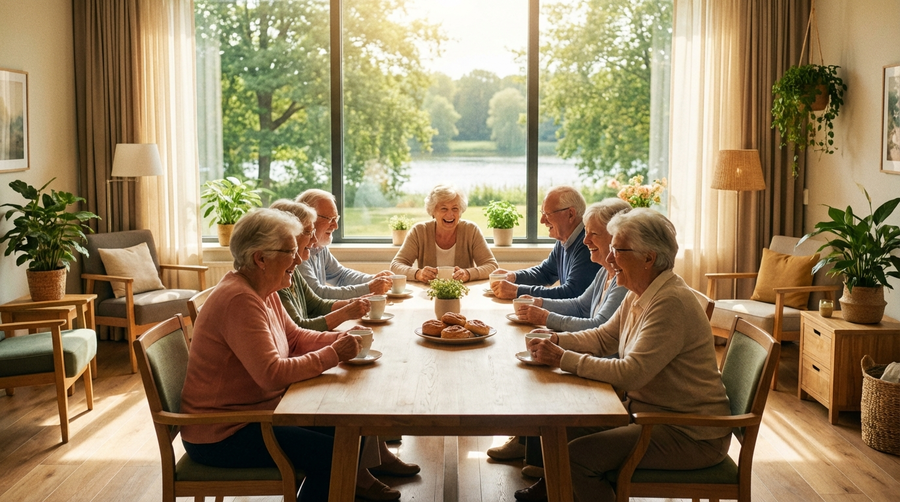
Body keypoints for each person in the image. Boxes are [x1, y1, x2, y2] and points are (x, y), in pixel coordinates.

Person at [180, 208, 419, 502]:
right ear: (261, 258)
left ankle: (349, 491)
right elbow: (272, 375)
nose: (298, 259)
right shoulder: (240, 300)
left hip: (256, 415)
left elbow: (294, 338)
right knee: (334, 452)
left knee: (348, 429)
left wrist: (341, 339)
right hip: (224, 432)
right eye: (290, 251)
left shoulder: (262, 290)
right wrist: (334, 353)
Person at [515, 208, 732, 502]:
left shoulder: (670, 303)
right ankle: (556, 492)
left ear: (648, 257)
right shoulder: (639, 290)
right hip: (652, 415)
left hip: (690, 432)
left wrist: (561, 358)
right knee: (563, 428)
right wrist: (556, 339)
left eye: (618, 249)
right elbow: (605, 337)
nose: (608, 258)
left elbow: (631, 372)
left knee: (577, 457)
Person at [487, 198, 631, 471]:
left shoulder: (624, 280)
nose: (585, 239)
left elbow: (598, 326)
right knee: (532, 365)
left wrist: (546, 319)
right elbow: (579, 304)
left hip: (603, 365)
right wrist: (539, 305)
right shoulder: (606, 272)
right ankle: (536, 453)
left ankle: (546, 463)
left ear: (615, 236)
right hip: (595, 353)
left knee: (538, 376)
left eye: (593, 233)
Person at [270, 199, 371, 330]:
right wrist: (346, 313)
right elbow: (298, 328)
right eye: (308, 232)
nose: (315, 239)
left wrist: (352, 303)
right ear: (288, 235)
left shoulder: (292, 269)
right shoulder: (275, 276)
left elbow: (316, 304)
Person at [490, 186, 600, 300]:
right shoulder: (564, 239)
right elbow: (545, 272)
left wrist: (517, 291)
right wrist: (513, 276)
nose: (542, 220)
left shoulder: (587, 244)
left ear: (570, 214)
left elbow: (572, 292)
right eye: (542, 213)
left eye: (547, 214)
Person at [296, 189, 394, 299]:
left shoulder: (319, 247)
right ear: (309, 218)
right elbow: (317, 293)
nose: (335, 226)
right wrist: (369, 288)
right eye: (330, 219)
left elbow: (341, 275)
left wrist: (373, 279)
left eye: (336, 219)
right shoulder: (297, 251)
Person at [390, 184, 498, 282]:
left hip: (463, 293)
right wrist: (418, 274)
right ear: (433, 211)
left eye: (455, 209)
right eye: (444, 209)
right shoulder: (419, 231)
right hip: (428, 294)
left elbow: (492, 266)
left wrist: (468, 274)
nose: (450, 214)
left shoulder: (471, 230)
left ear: (460, 211)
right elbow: (395, 266)